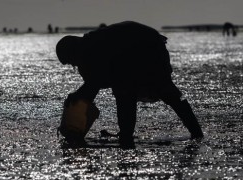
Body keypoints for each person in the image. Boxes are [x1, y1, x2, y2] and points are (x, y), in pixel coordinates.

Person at [56, 21, 204, 147]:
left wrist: (78, 96)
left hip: (146, 49)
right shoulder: (89, 45)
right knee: (161, 93)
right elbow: (94, 83)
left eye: (70, 61)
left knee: (129, 93)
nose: (73, 65)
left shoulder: (90, 50)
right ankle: (196, 132)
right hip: (147, 46)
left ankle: (126, 137)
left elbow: (93, 84)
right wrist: (80, 95)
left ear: (73, 52)